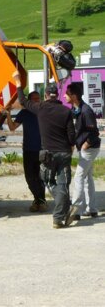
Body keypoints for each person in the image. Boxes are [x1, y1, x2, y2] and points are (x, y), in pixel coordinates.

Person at [12, 71, 75, 229]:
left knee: (48, 181)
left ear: (46, 95)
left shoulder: (40, 109)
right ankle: (61, 213)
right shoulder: (66, 111)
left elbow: (22, 100)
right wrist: (70, 149)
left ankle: (59, 210)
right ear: (57, 96)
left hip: (48, 154)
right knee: (63, 183)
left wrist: (18, 82)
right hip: (65, 152)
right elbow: (71, 136)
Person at [64, 83, 101, 224]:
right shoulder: (76, 109)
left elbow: (94, 133)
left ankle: (76, 211)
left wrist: (86, 144)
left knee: (78, 177)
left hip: (90, 148)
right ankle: (92, 209)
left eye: (66, 94)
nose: (64, 96)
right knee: (87, 177)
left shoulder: (86, 111)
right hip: (85, 148)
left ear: (73, 96)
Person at [5, 91, 47, 212]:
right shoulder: (24, 113)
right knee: (30, 177)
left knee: (40, 177)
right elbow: (12, 127)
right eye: (34, 99)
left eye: (38, 99)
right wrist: (8, 113)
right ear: (29, 101)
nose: (36, 101)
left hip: (42, 150)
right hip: (28, 150)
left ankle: (40, 201)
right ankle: (38, 200)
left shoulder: (43, 112)